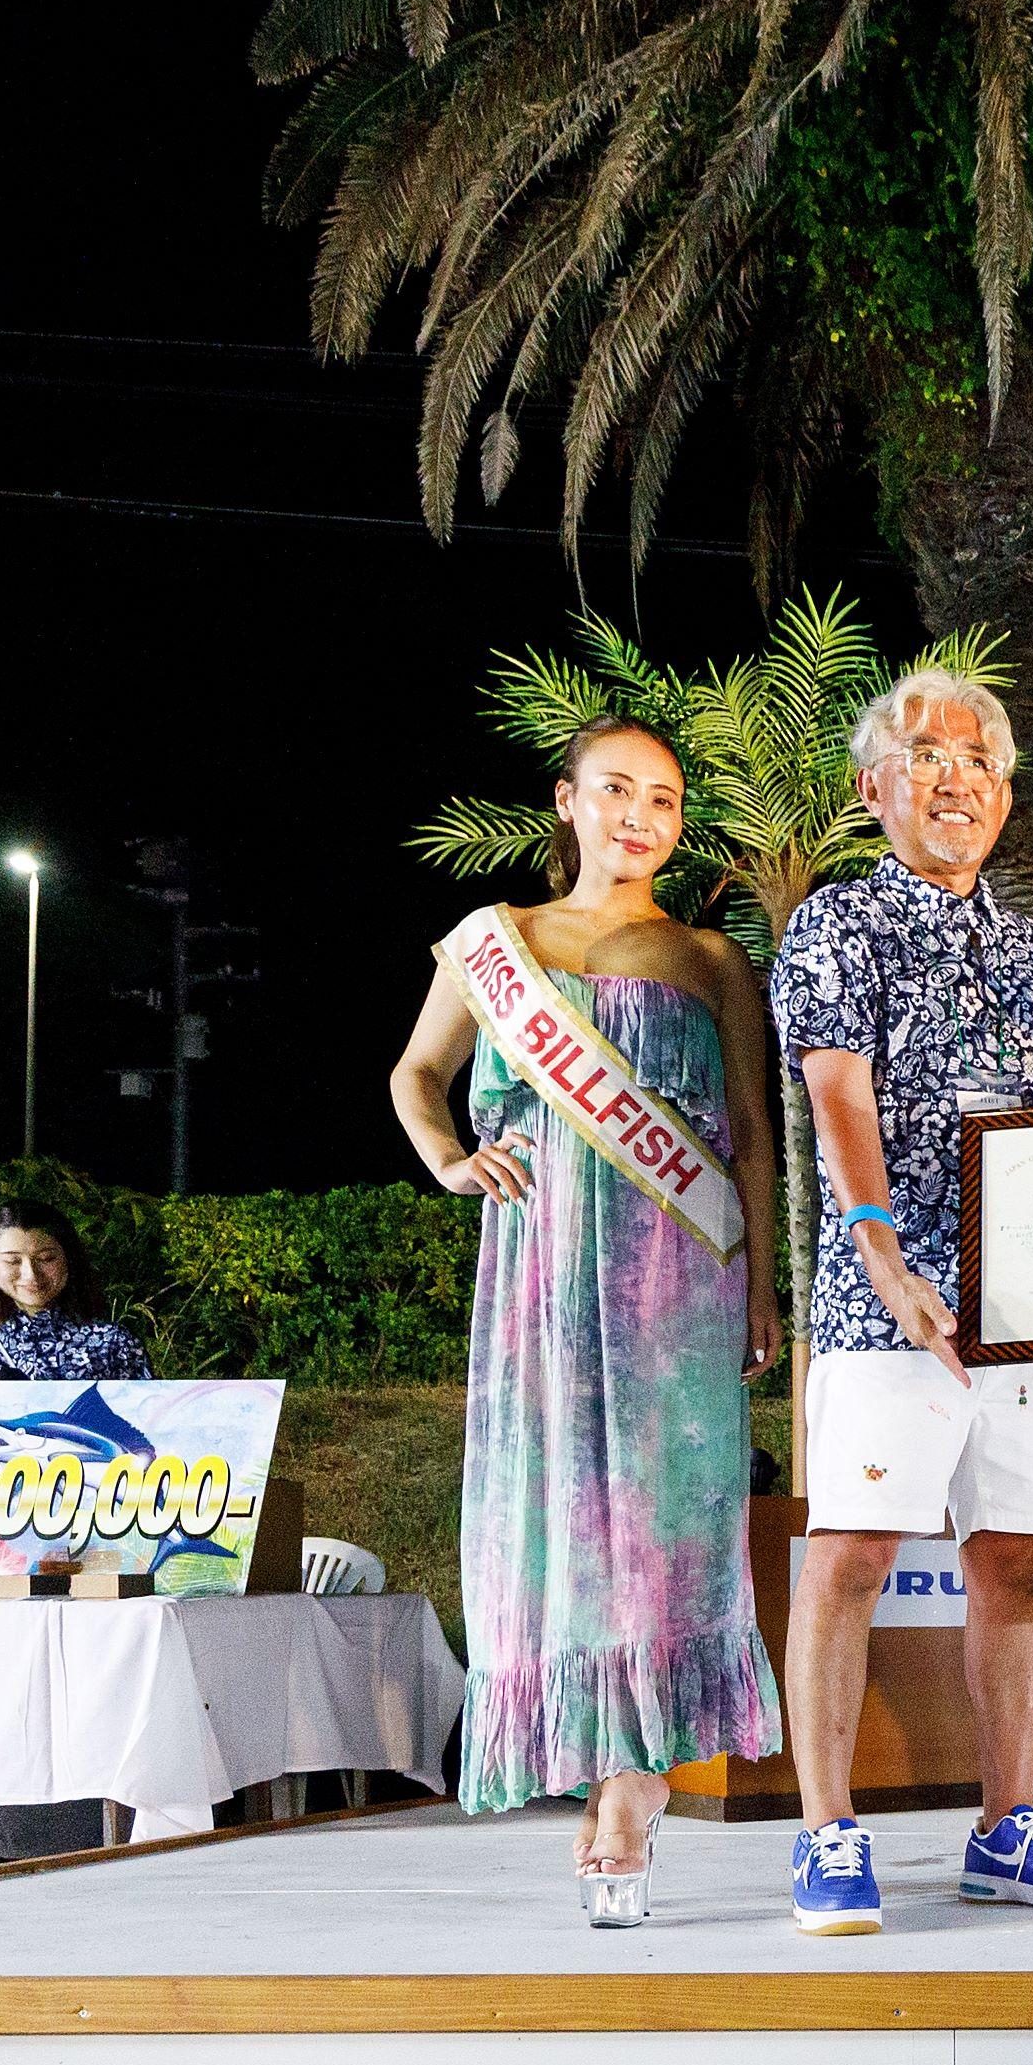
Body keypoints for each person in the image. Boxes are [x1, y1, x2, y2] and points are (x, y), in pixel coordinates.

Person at [391, 716, 786, 1928]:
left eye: (664, 799)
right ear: (567, 800)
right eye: (616, 789)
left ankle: (633, 1779)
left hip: (676, 1279)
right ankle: (602, 1759)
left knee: (664, 1525)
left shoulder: (711, 957)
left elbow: (752, 1132)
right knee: (561, 1517)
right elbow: (416, 1074)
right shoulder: (493, 942)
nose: (640, 817)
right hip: (541, 1280)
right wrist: (450, 1157)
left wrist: (762, 1284)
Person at [766, 669, 1033, 1938]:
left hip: (1032, 1312)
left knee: (1013, 1562)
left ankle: (1005, 1827)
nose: (954, 777)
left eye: (978, 759)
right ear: (874, 788)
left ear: (1007, 794)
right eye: (924, 754)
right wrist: (881, 1255)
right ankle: (826, 1831)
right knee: (852, 1554)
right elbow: (838, 1096)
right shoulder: (836, 926)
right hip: (889, 1302)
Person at [0, 1202, 154, 1381]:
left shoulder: (112, 1344)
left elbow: (146, 1421)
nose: (31, 1274)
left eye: (46, 1258)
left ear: (69, 1259)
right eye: (13, 1261)